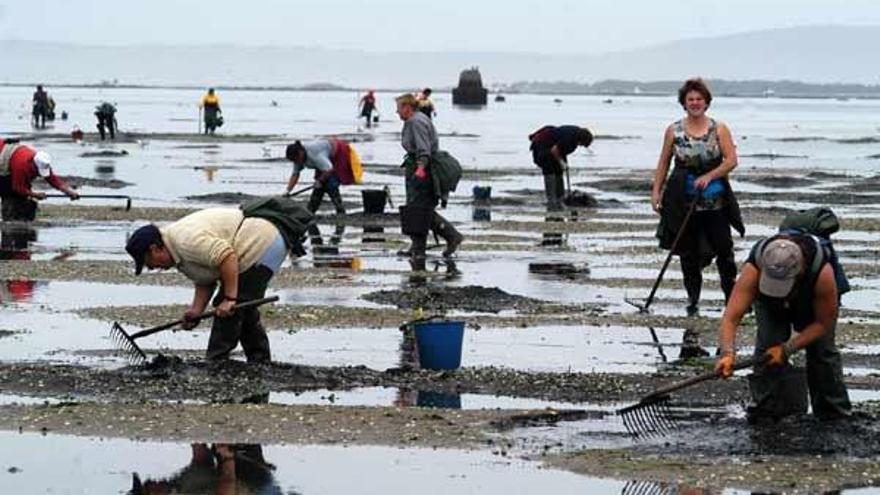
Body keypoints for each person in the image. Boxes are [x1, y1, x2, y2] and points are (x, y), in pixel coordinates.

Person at [125, 207, 291, 363]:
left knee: (229, 309)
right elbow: (205, 279)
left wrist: (229, 298)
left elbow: (227, 256)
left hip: (259, 242)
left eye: (149, 263)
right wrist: (196, 311)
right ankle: (260, 361)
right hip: (259, 243)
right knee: (242, 309)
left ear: (154, 249)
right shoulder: (176, 251)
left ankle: (215, 362)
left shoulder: (185, 241)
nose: (153, 268)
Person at [715, 234, 852, 420]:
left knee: (822, 353)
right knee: (767, 350)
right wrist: (727, 354)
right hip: (769, 304)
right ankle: (767, 410)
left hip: (812, 303)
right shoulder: (754, 268)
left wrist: (787, 349)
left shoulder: (822, 273)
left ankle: (834, 413)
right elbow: (731, 317)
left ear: (800, 271)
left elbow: (823, 323)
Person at [651, 78, 744, 316]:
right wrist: (656, 192)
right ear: (684, 103)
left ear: (706, 102)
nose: (695, 103)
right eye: (690, 99)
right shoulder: (673, 130)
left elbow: (731, 161)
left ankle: (731, 299)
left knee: (724, 250)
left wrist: (710, 176)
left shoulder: (719, 128)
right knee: (688, 254)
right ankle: (693, 300)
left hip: (716, 202)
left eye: (699, 99)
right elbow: (663, 163)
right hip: (683, 201)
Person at [395, 93, 463, 262]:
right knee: (416, 208)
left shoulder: (415, 122)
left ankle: (450, 236)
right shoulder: (417, 119)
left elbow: (423, 148)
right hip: (419, 165)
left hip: (422, 168)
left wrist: (420, 167)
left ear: (407, 107)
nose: (397, 113)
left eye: (398, 109)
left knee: (420, 209)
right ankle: (418, 246)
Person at [0, 138, 79, 221]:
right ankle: (8, 219)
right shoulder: (21, 165)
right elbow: (18, 187)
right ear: (32, 164)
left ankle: (20, 217)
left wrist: (68, 192)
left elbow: (52, 179)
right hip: (4, 162)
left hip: (12, 161)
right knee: (9, 193)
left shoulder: (42, 161)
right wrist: (34, 194)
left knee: (23, 197)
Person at [528, 125, 593, 210]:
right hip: (541, 145)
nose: (580, 145)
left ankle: (559, 199)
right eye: (582, 144)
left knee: (559, 170)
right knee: (549, 169)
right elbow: (555, 150)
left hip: (551, 146)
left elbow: (562, 150)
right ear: (582, 139)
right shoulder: (569, 137)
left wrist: (563, 164)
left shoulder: (574, 136)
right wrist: (561, 162)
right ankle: (552, 201)